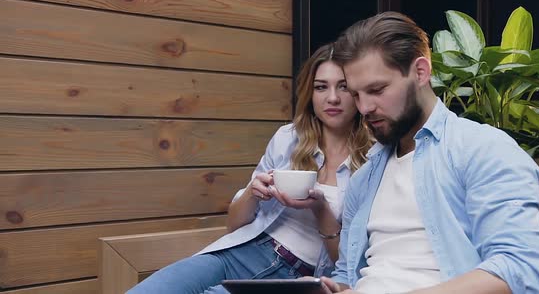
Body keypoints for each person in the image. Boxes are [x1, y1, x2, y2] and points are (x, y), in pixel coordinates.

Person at [317, 12, 539, 294]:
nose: (364, 107)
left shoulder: (482, 148)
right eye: (356, 95)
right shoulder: (363, 179)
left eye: (376, 90)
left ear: (420, 72)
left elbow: (520, 270)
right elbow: (347, 274)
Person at [127, 44, 372, 294]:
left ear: (357, 92)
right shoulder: (288, 138)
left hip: (297, 277)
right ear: (310, 94)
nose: (332, 98)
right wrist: (252, 194)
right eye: (321, 87)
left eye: (342, 86)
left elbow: (348, 265)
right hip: (241, 252)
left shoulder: (372, 159)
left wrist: (321, 210)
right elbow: (234, 225)